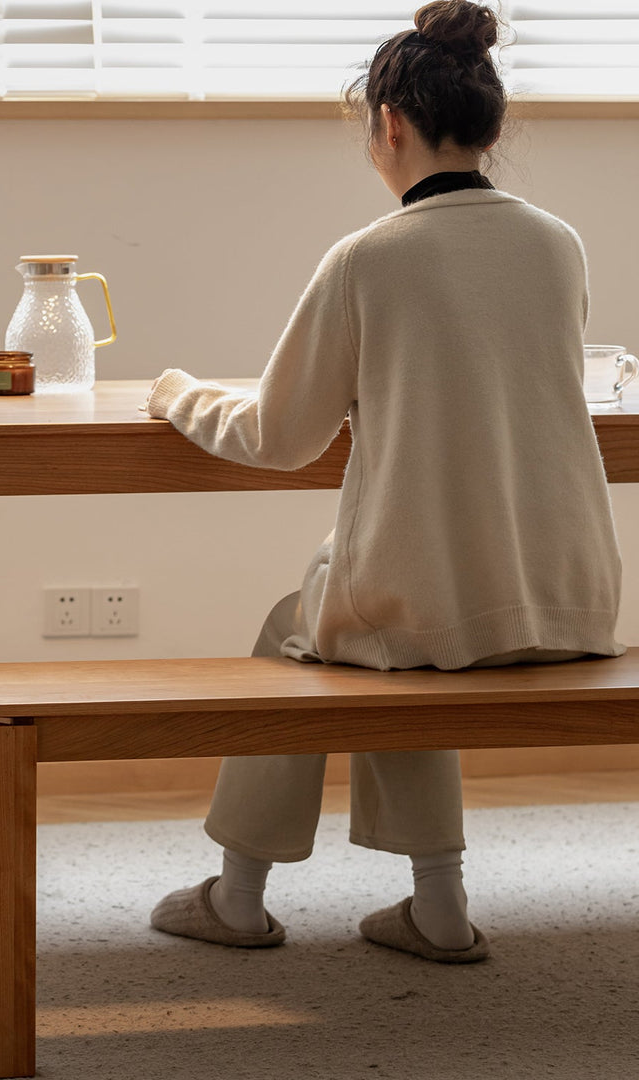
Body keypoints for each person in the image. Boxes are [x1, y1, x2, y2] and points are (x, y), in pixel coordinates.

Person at [144, 0, 625, 964]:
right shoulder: (557, 243)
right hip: (572, 601)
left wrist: (176, 395)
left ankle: (238, 898)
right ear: (488, 125)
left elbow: (278, 436)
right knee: (401, 622)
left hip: (437, 613)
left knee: (323, 627)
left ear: (389, 125)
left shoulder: (370, 258)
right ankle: (436, 906)